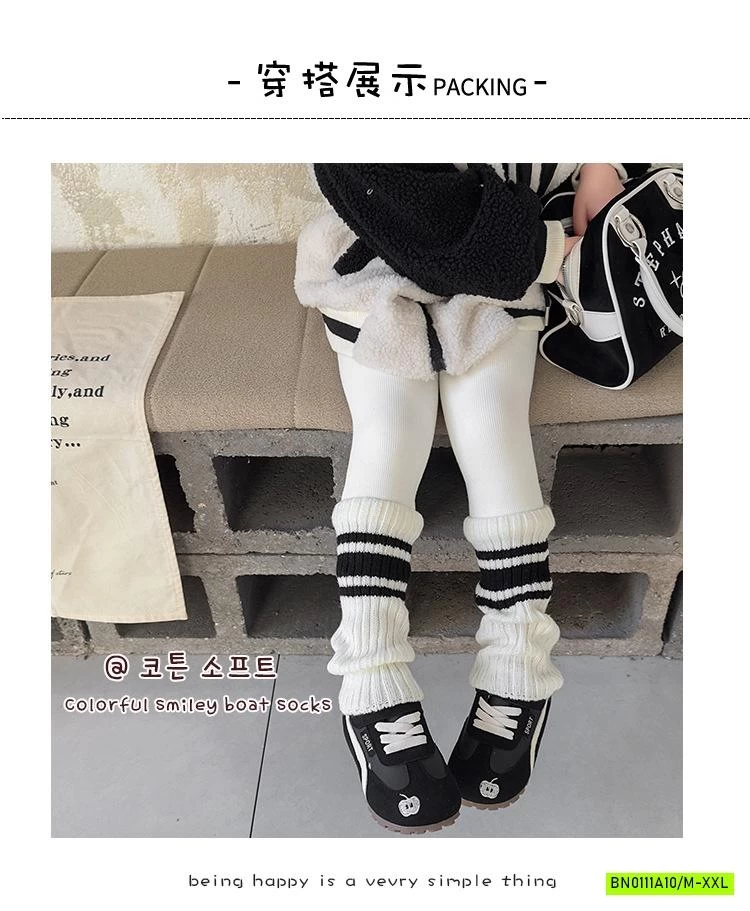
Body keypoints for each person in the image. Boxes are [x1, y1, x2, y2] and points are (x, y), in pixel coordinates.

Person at [295, 163, 645, 834]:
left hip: (507, 260)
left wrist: (602, 165)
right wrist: (547, 249)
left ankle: (518, 665)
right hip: (380, 251)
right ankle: (369, 679)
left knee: (492, 431)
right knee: (389, 435)